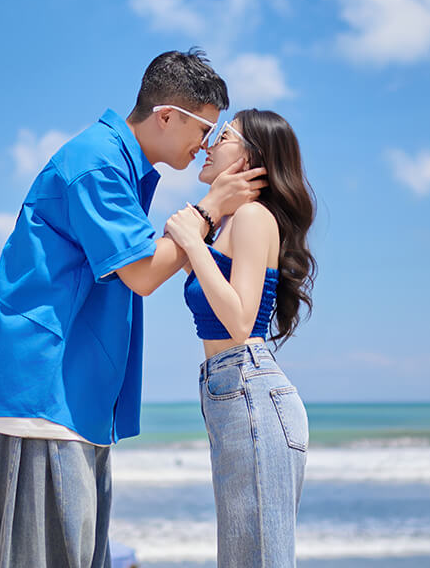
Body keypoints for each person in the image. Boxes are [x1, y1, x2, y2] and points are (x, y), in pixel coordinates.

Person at [0, 49, 268, 568]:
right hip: (44, 394)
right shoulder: (98, 163)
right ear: (166, 115)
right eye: (204, 129)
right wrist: (210, 209)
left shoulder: (120, 166)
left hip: (73, 399)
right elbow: (144, 273)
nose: (206, 145)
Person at [164, 109, 317, 568]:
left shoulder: (253, 216)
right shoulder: (228, 224)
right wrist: (204, 219)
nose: (209, 144)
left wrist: (194, 242)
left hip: (249, 390)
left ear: (251, 158)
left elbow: (240, 320)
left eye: (224, 134)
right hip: (234, 394)